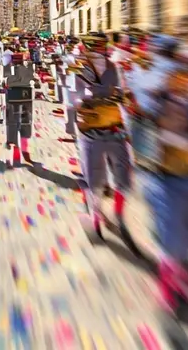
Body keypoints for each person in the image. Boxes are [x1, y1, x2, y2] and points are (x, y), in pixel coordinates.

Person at [129, 37, 188, 311]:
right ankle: (170, 280)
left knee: (179, 229)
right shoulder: (152, 87)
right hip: (164, 172)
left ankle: (174, 273)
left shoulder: (186, 97)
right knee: (173, 230)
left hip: (179, 172)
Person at [74, 32, 134, 243]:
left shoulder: (114, 67)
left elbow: (124, 93)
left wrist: (119, 96)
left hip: (114, 126)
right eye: (96, 46)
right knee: (94, 176)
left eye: (101, 46)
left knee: (122, 175)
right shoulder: (79, 68)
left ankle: (118, 214)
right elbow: (77, 98)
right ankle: (96, 215)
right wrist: (103, 96)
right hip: (90, 129)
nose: (100, 50)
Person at [3, 45, 36, 166]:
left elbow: (6, 82)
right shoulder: (29, 66)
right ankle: (24, 151)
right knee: (25, 123)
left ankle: (15, 149)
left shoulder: (8, 67)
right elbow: (31, 78)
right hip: (25, 95)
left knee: (12, 122)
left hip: (13, 96)